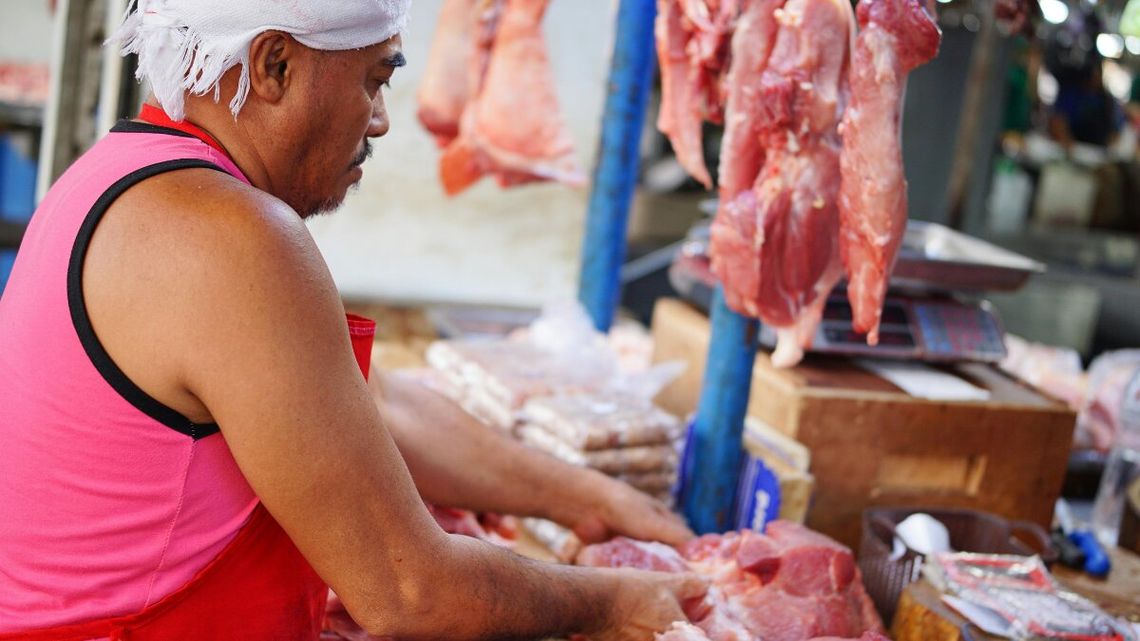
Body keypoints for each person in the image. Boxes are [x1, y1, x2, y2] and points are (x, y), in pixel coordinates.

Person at [0, 1, 706, 639]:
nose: (379, 119)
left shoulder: (118, 175)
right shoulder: (230, 236)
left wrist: (593, 497)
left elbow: (371, 407)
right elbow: (410, 590)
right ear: (274, 65)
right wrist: (616, 601)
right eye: (373, 80)